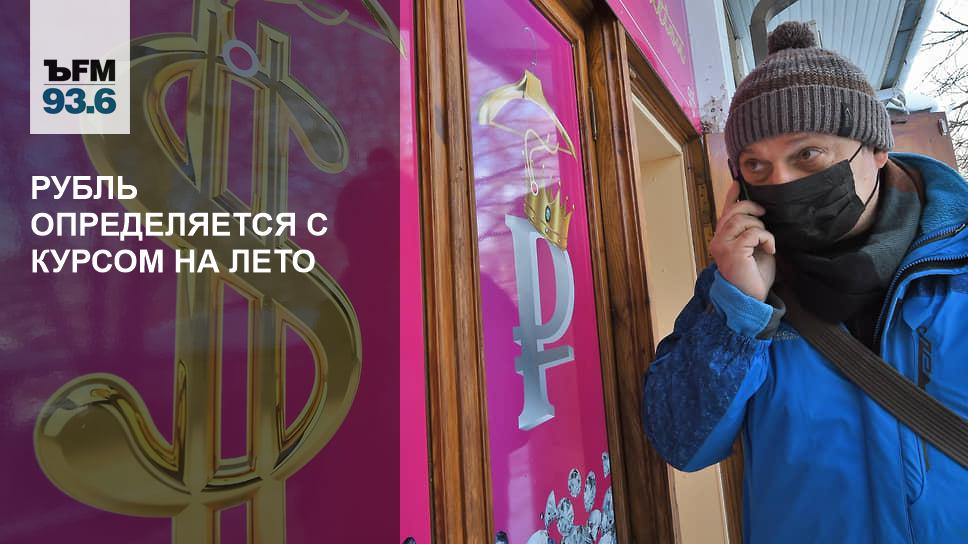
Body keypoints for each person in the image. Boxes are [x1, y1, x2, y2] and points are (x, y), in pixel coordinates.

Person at [640, 21, 968, 543]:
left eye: (807, 154)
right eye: (756, 165)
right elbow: (681, 442)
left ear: (876, 150)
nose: (782, 183)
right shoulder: (733, 290)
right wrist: (739, 311)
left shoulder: (958, 264)